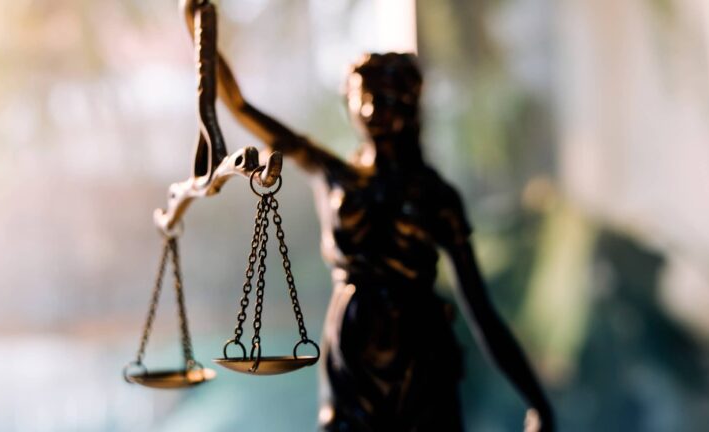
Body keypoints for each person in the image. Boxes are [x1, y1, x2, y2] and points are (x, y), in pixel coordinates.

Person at [217, 52, 554, 431]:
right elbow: (241, 106)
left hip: (419, 354)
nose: (373, 108)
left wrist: (536, 400)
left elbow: (480, 310)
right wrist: (206, 42)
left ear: (411, 104)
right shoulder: (338, 178)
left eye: (388, 96)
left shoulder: (435, 197)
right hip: (353, 352)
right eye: (364, 96)